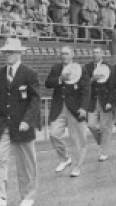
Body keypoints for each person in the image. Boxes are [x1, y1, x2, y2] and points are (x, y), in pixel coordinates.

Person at [0, 37, 40, 206]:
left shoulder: (29, 73)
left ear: (19, 53)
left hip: (23, 126)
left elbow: (35, 100)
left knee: (25, 163)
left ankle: (28, 196)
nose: (7, 55)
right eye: (5, 52)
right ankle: (1, 196)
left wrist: (27, 120)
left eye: (10, 52)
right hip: (3, 125)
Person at [45, 46, 90, 177]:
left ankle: (77, 166)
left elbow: (86, 90)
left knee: (77, 139)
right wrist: (59, 79)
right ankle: (65, 158)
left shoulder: (81, 69)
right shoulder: (56, 68)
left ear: (72, 55)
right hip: (59, 107)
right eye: (62, 54)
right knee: (54, 134)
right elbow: (48, 83)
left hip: (75, 108)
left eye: (66, 54)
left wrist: (83, 107)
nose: (64, 56)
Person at [86, 47, 114, 161]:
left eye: (98, 52)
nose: (95, 54)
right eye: (94, 52)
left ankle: (104, 151)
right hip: (92, 100)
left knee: (105, 127)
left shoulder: (109, 67)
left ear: (102, 54)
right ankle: (101, 142)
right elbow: (84, 82)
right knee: (91, 125)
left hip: (104, 100)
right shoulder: (87, 67)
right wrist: (92, 79)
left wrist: (110, 101)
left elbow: (112, 87)